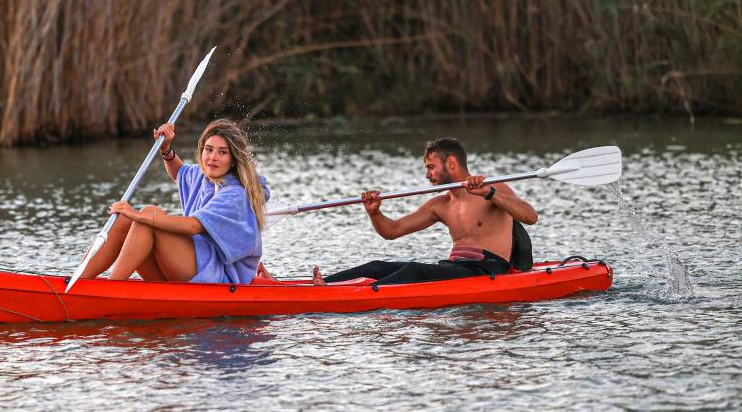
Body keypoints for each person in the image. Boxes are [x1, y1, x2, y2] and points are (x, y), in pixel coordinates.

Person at [313, 137, 537, 286]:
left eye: (431, 167)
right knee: (376, 266)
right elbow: (392, 231)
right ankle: (324, 285)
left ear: (451, 163)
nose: (427, 176)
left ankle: (347, 294)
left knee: (414, 270)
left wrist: (490, 193)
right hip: (455, 268)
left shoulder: (494, 188)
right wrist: (375, 214)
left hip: (487, 271)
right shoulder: (440, 205)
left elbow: (530, 216)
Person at [80, 119, 270, 284]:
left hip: (215, 278)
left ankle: (111, 290)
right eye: (208, 149)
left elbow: (193, 226)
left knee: (147, 216)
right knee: (123, 221)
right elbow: (179, 172)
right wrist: (166, 149)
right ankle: (77, 283)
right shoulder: (205, 176)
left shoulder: (236, 194)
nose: (212, 157)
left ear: (234, 160)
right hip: (189, 267)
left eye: (222, 152)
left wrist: (138, 214)